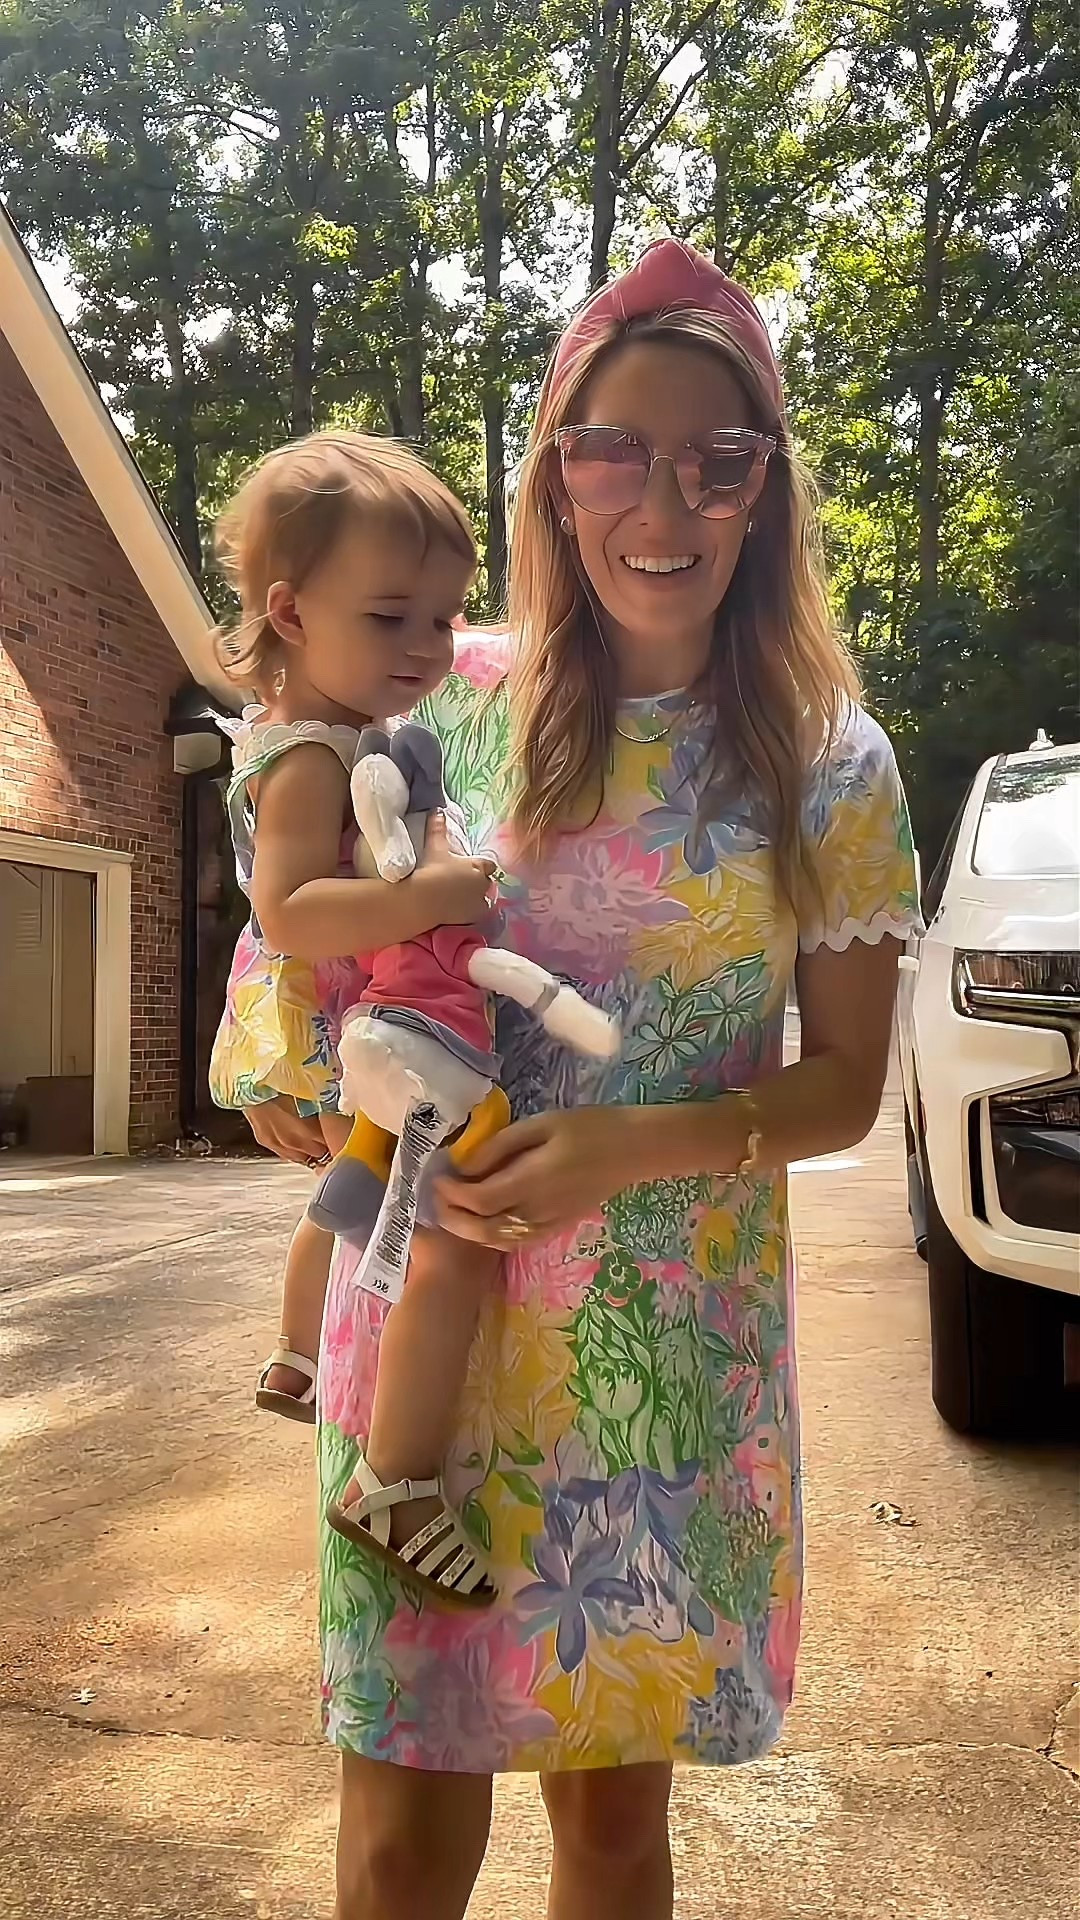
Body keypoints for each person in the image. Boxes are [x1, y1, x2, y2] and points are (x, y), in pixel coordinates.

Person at [312, 238, 921, 1920]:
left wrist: (619, 1146)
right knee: (396, 1835)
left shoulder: (828, 759)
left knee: (607, 1830)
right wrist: (299, 1072)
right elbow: (322, 924)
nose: (665, 502)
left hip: (653, 1370)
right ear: (556, 478)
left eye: (717, 459)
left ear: (767, 488)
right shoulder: (456, 703)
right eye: (612, 451)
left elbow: (847, 1089)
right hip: (427, 1364)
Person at [209, 429, 508, 1603]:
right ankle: (397, 1476)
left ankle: (307, 1363)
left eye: (443, 618)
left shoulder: (342, 739)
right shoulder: (306, 759)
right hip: (361, 1038)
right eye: (392, 618)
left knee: (375, 1222)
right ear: (289, 612)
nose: (429, 647)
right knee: (449, 1253)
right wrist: (433, 892)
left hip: (361, 1037)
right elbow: (287, 911)